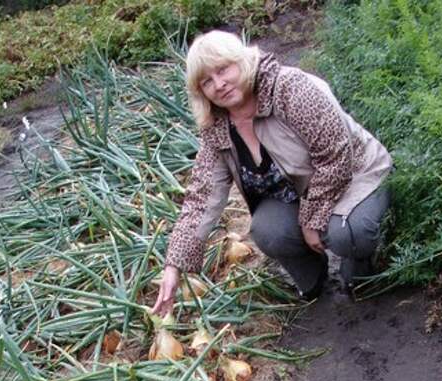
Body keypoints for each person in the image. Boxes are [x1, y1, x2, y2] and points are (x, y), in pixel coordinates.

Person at [151, 30, 393, 315]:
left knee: (347, 234)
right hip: (301, 193)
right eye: (207, 81)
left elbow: (336, 155)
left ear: (242, 60)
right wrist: (173, 267)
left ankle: (359, 265)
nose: (219, 84)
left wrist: (311, 219)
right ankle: (313, 279)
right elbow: (200, 200)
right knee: (267, 230)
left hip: (356, 175)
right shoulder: (217, 129)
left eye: (223, 69)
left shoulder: (290, 88)